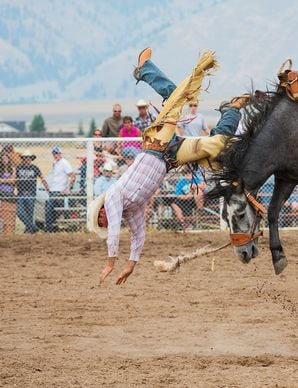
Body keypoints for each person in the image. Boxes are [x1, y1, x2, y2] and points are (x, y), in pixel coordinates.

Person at [97, 47, 248, 285]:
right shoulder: (132, 208)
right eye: (101, 225)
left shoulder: (113, 196)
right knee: (217, 146)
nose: (103, 224)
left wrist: (110, 262)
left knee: (177, 96)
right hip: (171, 156)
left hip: (157, 140)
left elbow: (115, 231)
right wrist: (130, 266)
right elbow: (139, 235)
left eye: (100, 220)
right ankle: (230, 109)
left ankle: (145, 68)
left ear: (102, 211)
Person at [15, 150, 49, 234]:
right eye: (25, 157)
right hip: (21, 194)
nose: (27, 159)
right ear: (23, 158)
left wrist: (48, 189)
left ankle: (29, 230)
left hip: (31, 194)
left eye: (28, 157)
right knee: (20, 212)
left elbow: (42, 178)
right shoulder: (18, 167)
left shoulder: (35, 168)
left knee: (30, 214)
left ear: (31, 158)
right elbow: (14, 180)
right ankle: (33, 227)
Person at [45, 146, 76, 233]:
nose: (56, 155)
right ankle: (52, 229)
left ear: (60, 154)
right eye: (54, 153)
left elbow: (73, 176)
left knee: (49, 210)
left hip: (59, 191)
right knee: (50, 209)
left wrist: (67, 189)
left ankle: (49, 230)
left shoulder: (64, 163)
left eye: (57, 153)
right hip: (53, 190)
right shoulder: (55, 163)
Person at [0, 148, 17, 234]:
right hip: (1, 193)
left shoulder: (13, 169)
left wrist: (2, 181)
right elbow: (11, 180)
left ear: (9, 158)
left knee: (9, 214)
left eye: (6, 158)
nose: (4, 159)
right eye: (3, 158)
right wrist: (9, 181)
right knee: (2, 214)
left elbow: (13, 181)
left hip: (9, 193)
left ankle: (9, 232)